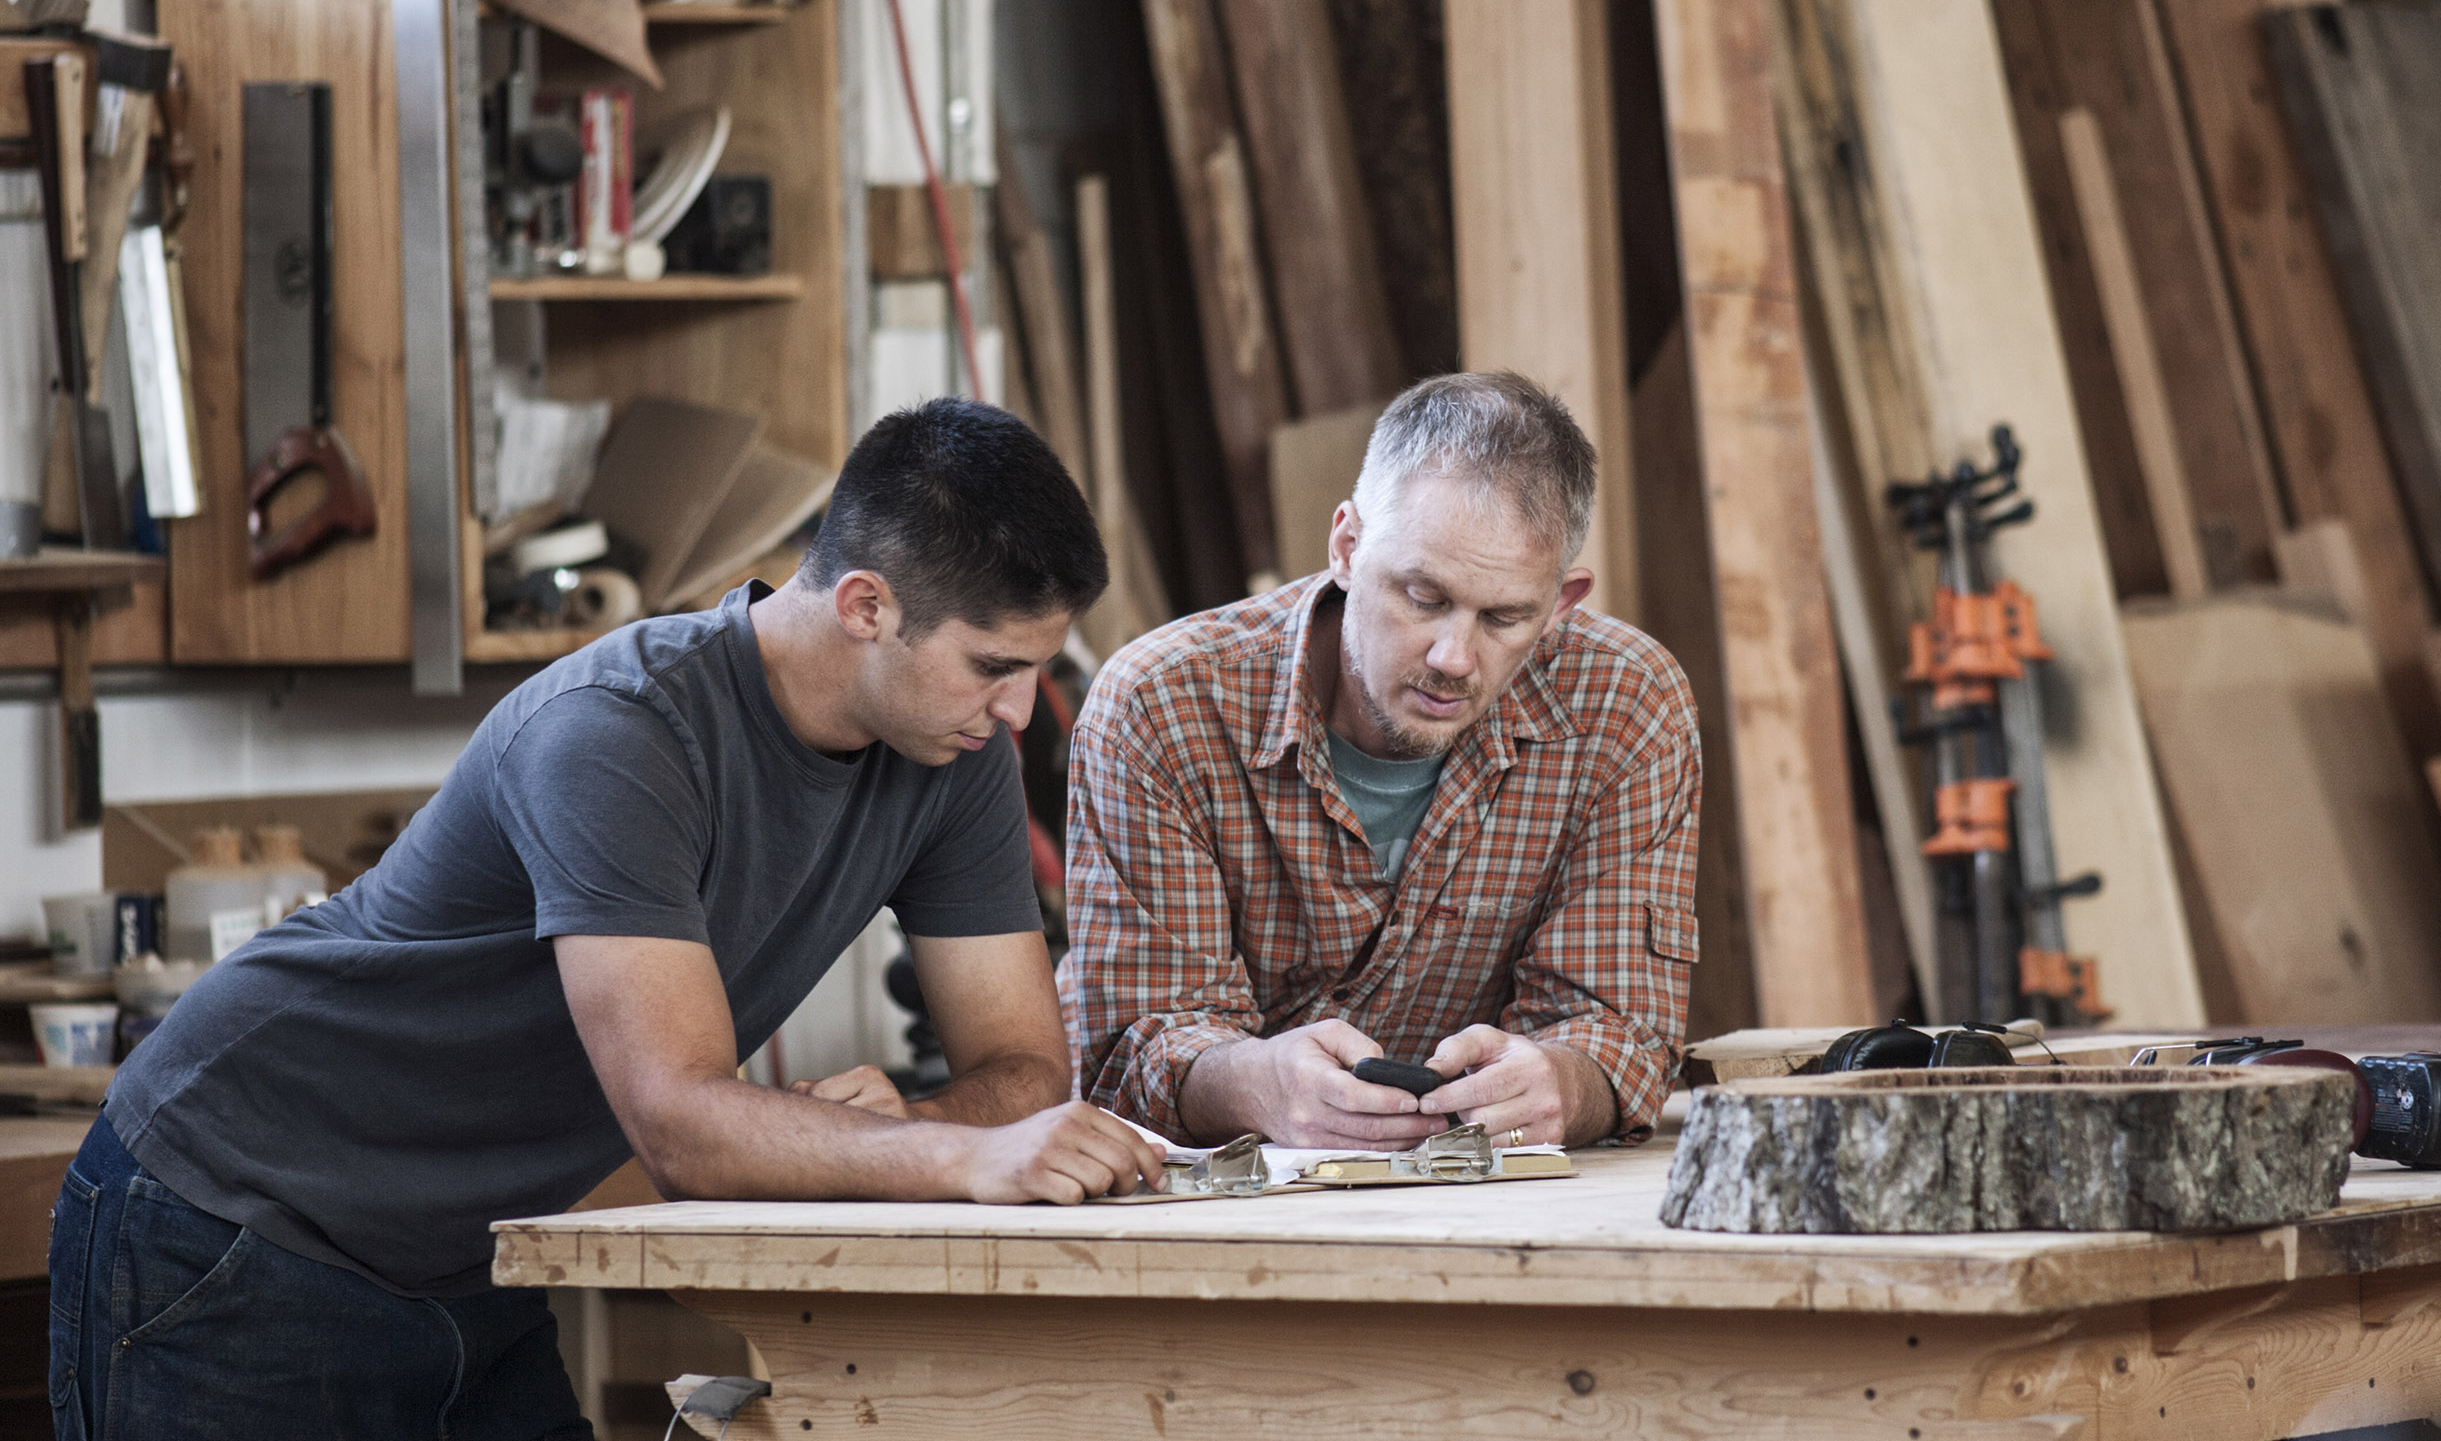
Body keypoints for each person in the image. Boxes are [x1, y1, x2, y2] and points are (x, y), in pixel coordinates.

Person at [51, 399, 1163, 1440]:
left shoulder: (955, 751)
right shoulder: (621, 733)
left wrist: (911, 1127)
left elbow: (1025, 1071)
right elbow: (682, 1129)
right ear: (867, 607)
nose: (1020, 709)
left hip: (464, 1255)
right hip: (237, 1210)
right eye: (994, 666)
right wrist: (946, 1152)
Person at [1058, 373, 1702, 1155]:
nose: (1454, 657)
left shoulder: (1626, 707)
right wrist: (1254, 1085)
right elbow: (1131, 1043)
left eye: (1505, 618)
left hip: (1495, 1195)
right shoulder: (1162, 707)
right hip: (1226, 1198)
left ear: (1562, 603)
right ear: (1346, 547)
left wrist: (1561, 1085)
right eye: (1423, 598)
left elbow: (1620, 1029)